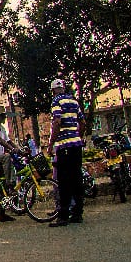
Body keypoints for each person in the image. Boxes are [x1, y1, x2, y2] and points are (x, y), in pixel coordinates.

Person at [47, 79, 85, 227]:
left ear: (52, 90)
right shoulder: (74, 101)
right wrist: (78, 137)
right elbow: (82, 123)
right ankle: (78, 213)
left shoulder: (56, 102)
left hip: (64, 147)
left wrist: (50, 145)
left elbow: (57, 122)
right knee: (77, 179)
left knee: (64, 181)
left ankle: (63, 216)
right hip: (76, 146)